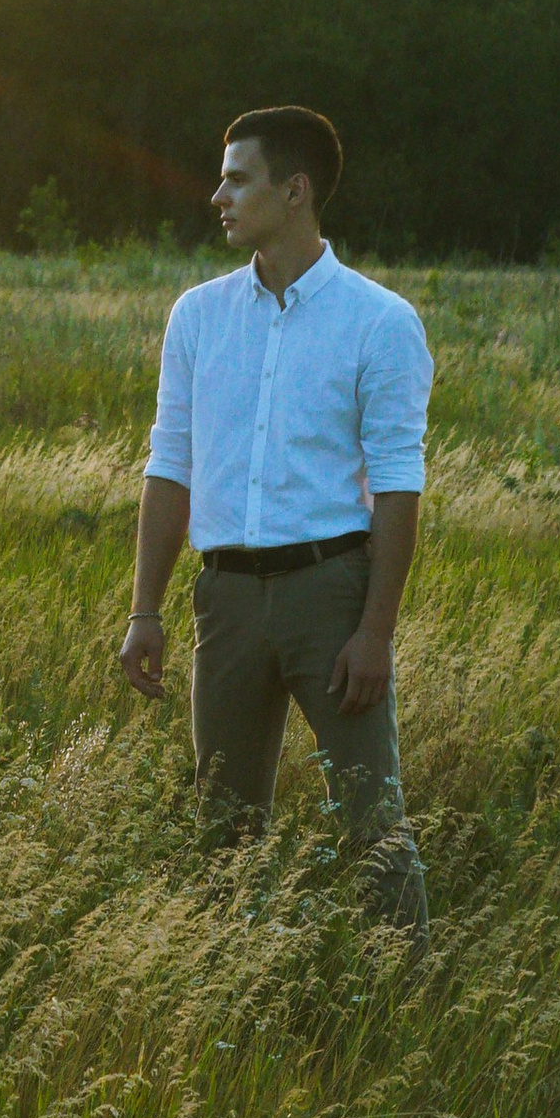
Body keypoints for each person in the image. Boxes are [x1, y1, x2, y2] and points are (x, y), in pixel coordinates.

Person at [119, 107, 432, 940]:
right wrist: (144, 611)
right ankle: (225, 999)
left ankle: (410, 993)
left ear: (295, 192)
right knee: (221, 827)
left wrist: (376, 630)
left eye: (237, 178)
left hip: (332, 597)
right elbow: (169, 465)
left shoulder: (380, 321)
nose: (217, 194)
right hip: (223, 601)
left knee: (372, 821)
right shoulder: (198, 316)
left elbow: (399, 488)